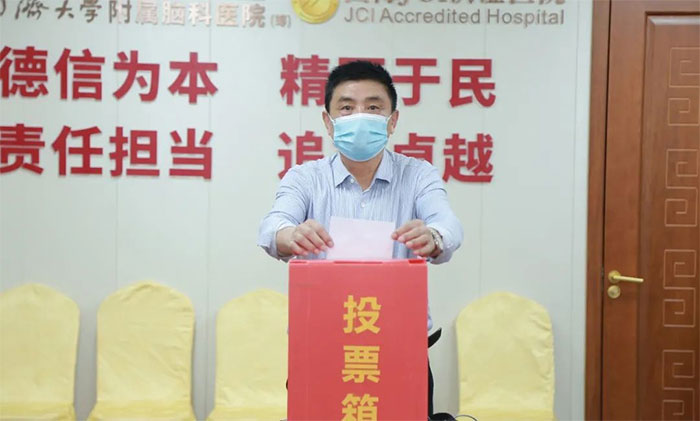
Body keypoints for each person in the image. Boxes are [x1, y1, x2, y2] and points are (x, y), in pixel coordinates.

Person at [257, 60, 463, 417]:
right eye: (347, 108)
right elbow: (272, 227)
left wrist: (433, 235)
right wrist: (292, 234)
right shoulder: (305, 178)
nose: (360, 116)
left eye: (373, 107)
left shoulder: (418, 175)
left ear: (392, 121)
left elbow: (448, 225)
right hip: (320, 352)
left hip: (401, 353)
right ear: (328, 122)